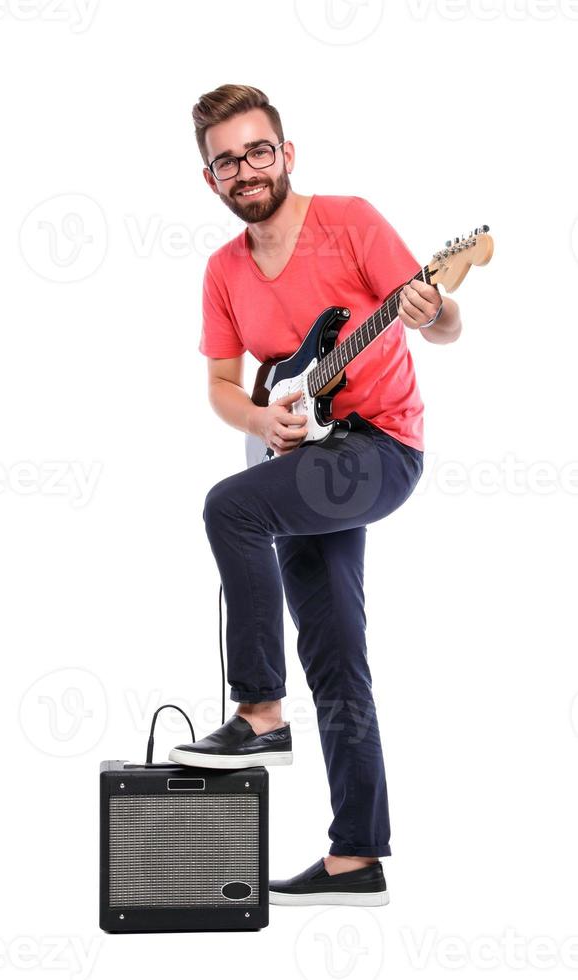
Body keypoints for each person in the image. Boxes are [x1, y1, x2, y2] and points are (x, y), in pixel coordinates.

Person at [168, 84, 462, 906]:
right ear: (211, 179)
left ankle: (259, 713)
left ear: (287, 154)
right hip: (299, 458)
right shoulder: (222, 272)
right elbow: (224, 386)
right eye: (226, 160)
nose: (245, 169)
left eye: (258, 151)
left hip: (380, 450)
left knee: (230, 506)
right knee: (335, 653)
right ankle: (356, 858)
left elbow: (445, 326)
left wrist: (435, 309)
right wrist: (263, 416)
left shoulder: (350, 221)